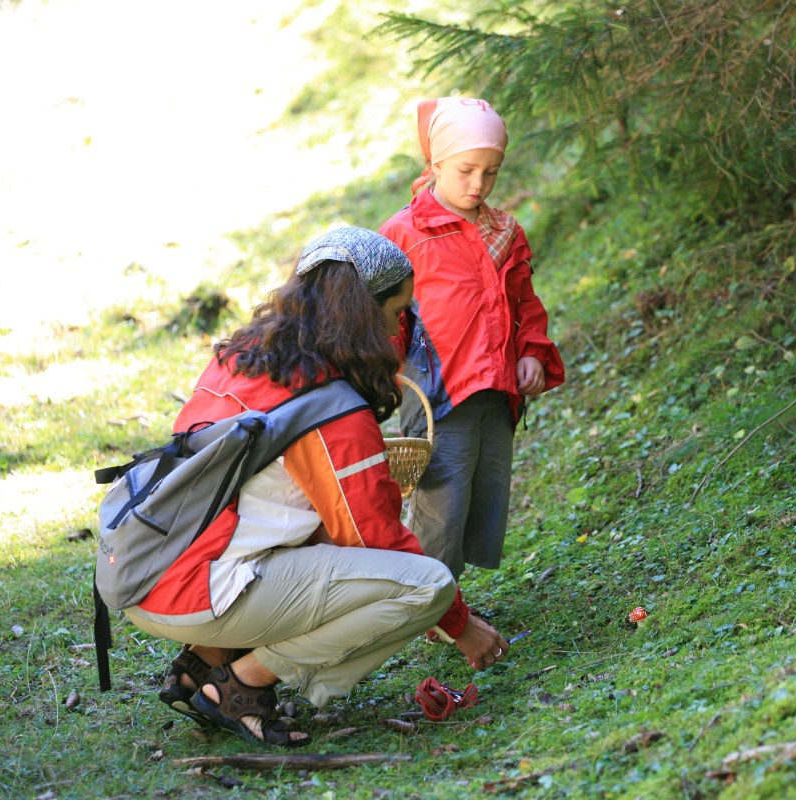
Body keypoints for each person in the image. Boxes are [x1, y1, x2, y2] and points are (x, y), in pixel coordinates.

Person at [125, 227, 510, 748]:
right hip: (198, 592)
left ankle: (206, 662)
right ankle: (243, 685)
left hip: (151, 568)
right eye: (398, 313)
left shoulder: (244, 357)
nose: (401, 327)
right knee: (428, 585)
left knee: (329, 543)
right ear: (364, 315)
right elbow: (375, 538)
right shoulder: (331, 406)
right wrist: (460, 625)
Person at [379, 97, 565, 581]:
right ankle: (431, 604)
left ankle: (447, 598)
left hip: (496, 390)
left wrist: (530, 352)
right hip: (438, 394)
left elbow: (524, 303)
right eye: (465, 169)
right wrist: (377, 378)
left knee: (482, 491)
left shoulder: (504, 230)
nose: (477, 184)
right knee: (442, 501)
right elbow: (381, 318)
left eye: (491, 172)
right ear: (435, 162)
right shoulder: (404, 235)